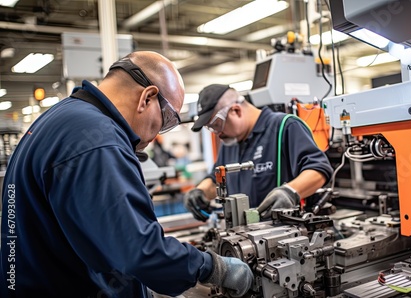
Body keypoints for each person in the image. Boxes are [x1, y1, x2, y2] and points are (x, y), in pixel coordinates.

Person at [0, 52, 252, 298]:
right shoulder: (98, 140)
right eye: (165, 120)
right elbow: (140, 250)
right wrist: (211, 267)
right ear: (147, 97)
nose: (156, 136)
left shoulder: (61, 118)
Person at [184, 84, 333, 221]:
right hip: (241, 239)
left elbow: (319, 169)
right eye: (210, 128)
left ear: (236, 110)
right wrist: (199, 192)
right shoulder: (229, 143)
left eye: (217, 125)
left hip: (282, 236)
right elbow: (217, 180)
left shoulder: (284, 126)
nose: (217, 133)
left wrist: (290, 192)